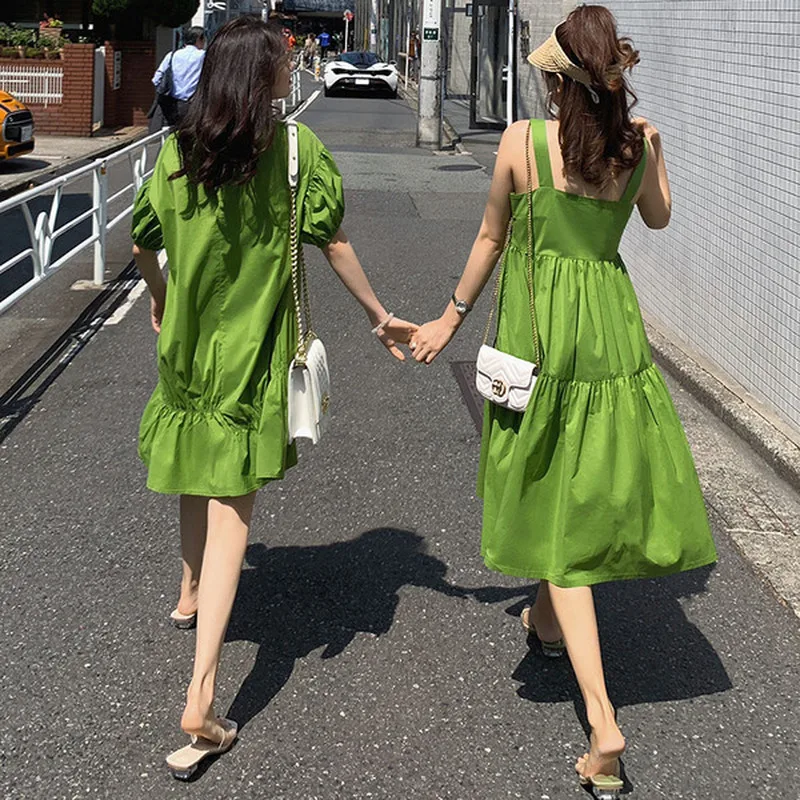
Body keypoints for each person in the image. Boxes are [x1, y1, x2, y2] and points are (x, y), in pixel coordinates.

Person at [409, 5, 717, 794]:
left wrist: (449, 317)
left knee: (552, 486)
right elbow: (658, 218)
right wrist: (656, 150)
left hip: (539, 329)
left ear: (560, 81)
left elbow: (490, 237)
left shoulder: (522, 143)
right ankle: (544, 623)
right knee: (576, 477)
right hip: (608, 328)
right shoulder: (634, 147)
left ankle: (603, 719)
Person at [131, 17, 415, 779]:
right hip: (252, 357)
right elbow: (335, 240)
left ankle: (187, 591)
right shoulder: (293, 152)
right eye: (283, 64)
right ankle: (201, 697)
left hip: (188, 346)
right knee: (233, 510)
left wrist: (160, 297)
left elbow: (142, 241)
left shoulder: (176, 152)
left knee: (194, 465)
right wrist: (379, 315)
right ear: (262, 77)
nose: (291, 72)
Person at [150, 26, 206, 128]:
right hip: (194, 105)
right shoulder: (203, 56)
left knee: (171, 134)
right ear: (199, 39)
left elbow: (156, 79)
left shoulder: (172, 55)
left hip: (172, 105)